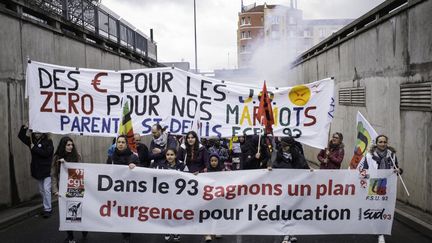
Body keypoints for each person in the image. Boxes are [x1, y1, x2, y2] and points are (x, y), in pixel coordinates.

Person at [358, 135, 402, 243]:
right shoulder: (369, 156)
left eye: (384, 142)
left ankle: (380, 231)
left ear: (387, 143)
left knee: (383, 208)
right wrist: (365, 179)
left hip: (387, 185)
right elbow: (364, 170)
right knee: (376, 208)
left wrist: (399, 171)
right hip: (375, 184)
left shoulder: (392, 155)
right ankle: (379, 231)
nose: (382, 144)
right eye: (380, 142)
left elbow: (396, 168)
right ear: (376, 143)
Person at [51, 136, 88, 243]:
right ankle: (70, 236)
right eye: (68, 145)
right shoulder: (57, 158)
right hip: (63, 190)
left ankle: (84, 229)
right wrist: (55, 190)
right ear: (63, 146)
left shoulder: (77, 156)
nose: (71, 147)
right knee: (66, 213)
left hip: (76, 188)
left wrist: (66, 164)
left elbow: (81, 171)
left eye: (72, 144)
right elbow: (53, 175)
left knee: (80, 211)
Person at [272, 137, 308, 243]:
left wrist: (309, 171)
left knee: (293, 211)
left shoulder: (297, 156)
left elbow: (304, 167)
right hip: (283, 189)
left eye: (285, 146)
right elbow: (274, 166)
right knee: (285, 211)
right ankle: (286, 234)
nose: (283, 148)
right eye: (282, 145)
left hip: (295, 189)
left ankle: (291, 232)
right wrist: (270, 170)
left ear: (290, 146)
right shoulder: (278, 155)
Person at [106, 135, 139, 243]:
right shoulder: (111, 158)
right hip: (115, 189)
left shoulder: (133, 157)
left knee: (127, 212)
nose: (120, 144)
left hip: (129, 190)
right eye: (118, 142)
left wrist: (135, 167)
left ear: (126, 144)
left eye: (122, 142)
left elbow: (141, 173)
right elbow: (105, 172)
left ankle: (126, 235)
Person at [18, 124, 54, 218]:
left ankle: (48, 209)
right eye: (35, 132)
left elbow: (46, 153)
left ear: (43, 132)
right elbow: (21, 136)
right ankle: (46, 207)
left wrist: (34, 148)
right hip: (37, 170)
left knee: (46, 190)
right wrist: (24, 127)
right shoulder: (32, 140)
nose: (37, 134)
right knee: (42, 190)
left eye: (39, 132)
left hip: (46, 170)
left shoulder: (48, 142)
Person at [159, 148, 184, 242]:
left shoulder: (182, 165)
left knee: (176, 213)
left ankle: (176, 231)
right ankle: (167, 230)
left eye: (172, 154)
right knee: (166, 212)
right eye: (168, 155)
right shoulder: (160, 165)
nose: (169, 156)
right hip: (165, 194)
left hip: (178, 194)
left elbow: (188, 176)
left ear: (176, 155)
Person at [203, 153, 224, 242]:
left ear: (218, 161)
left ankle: (217, 230)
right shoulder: (205, 171)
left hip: (218, 196)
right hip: (208, 196)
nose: (214, 162)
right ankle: (207, 233)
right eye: (212, 161)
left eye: (215, 161)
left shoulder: (223, 171)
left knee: (217, 213)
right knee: (207, 214)